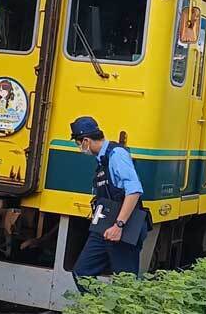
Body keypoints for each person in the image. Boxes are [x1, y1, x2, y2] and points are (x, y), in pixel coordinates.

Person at [70, 116, 147, 287]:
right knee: (82, 273)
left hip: (123, 227)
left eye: (78, 143)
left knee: (125, 284)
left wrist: (119, 225)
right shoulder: (102, 160)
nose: (79, 147)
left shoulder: (117, 155)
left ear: (86, 141)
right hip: (103, 225)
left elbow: (134, 191)